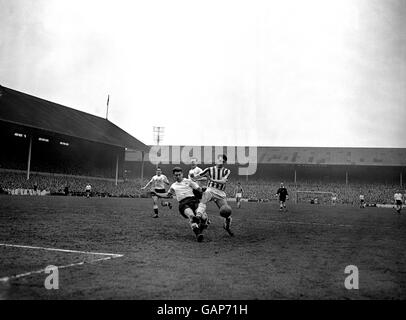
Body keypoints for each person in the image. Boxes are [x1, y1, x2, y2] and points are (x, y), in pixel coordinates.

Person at [152, 167, 205, 242]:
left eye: (179, 174)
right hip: (183, 203)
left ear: (182, 174)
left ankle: (200, 227)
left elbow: (199, 189)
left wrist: (203, 189)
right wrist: (157, 194)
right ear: (174, 176)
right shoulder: (173, 185)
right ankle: (198, 234)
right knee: (191, 216)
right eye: (176, 175)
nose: (178, 176)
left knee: (204, 218)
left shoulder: (189, 181)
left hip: (194, 201)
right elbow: (168, 195)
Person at [194, 154, 234, 236]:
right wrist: (193, 177)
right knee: (203, 199)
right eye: (219, 160)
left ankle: (227, 227)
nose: (220, 163)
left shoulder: (227, 171)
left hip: (220, 193)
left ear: (225, 162)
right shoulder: (209, 169)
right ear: (216, 160)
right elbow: (197, 176)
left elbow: (223, 181)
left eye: (222, 161)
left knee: (227, 213)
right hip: (211, 190)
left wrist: (211, 179)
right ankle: (198, 216)